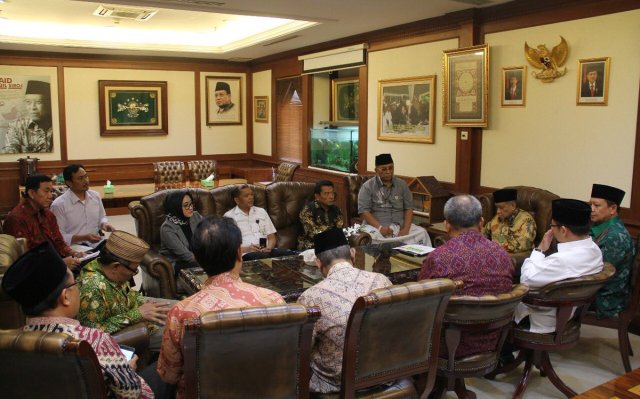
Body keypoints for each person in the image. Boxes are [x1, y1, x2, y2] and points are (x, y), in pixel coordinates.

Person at [1, 241, 154, 399]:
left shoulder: (9, 344)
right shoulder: (95, 341)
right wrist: (129, 371)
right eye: (75, 282)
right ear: (65, 297)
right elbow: (133, 394)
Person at [157, 216, 285, 399]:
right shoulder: (274, 300)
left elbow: (169, 375)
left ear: (198, 260)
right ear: (239, 254)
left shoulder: (182, 312)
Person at [297, 228, 391, 394]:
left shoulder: (311, 297)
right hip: (385, 372)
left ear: (318, 262)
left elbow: (300, 350)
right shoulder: (382, 281)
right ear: (352, 254)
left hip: (336, 383)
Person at [419, 195, 513, 358]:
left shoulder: (439, 257)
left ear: (447, 225)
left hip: (448, 345)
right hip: (494, 341)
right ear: (481, 222)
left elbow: (420, 298)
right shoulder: (502, 254)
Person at [515, 199, 603, 333]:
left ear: (563, 230)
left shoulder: (562, 260)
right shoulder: (595, 251)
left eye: (552, 226)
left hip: (540, 319)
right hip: (568, 316)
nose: (551, 230)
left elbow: (526, 280)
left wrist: (540, 250)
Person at [78, 230, 172, 351]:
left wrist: (145, 305)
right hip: (124, 333)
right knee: (180, 331)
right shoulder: (93, 287)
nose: (134, 273)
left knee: (180, 308)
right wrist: (137, 314)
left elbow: (128, 294)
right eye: (134, 270)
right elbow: (93, 334)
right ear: (115, 266)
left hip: (132, 309)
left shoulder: (108, 269)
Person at [4, 174, 83, 269]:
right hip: (34, 272)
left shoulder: (48, 214)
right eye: (46, 191)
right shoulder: (16, 218)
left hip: (55, 263)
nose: (50, 196)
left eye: (51, 191)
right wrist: (60, 263)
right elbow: (25, 260)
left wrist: (74, 253)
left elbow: (59, 242)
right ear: (31, 193)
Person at [358, 153, 431, 246]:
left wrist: (406, 229)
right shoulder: (367, 187)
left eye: (391, 168)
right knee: (371, 237)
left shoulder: (402, 185)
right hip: (376, 227)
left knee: (422, 233)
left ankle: (418, 260)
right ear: (376, 170)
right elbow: (364, 212)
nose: (388, 171)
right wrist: (380, 228)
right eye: (384, 169)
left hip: (399, 227)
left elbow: (409, 208)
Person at [589, 184, 635, 319]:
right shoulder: (599, 227)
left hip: (606, 298)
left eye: (596, 206)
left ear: (613, 209)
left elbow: (598, 273)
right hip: (595, 290)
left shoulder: (615, 236)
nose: (591, 209)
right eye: (590, 204)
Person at [51, 164, 115, 246]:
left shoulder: (95, 196)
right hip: (73, 248)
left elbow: (102, 217)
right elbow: (59, 237)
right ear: (69, 183)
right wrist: (84, 238)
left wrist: (104, 224)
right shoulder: (58, 205)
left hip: (96, 244)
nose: (86, 181)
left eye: (86, 176)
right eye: (80, 178)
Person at [224, 184, 291, 260]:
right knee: (263, 258)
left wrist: (269, 248)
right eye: (246, 196)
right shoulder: (229, 217)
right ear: (237, 200)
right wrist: (247, 249)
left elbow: (271, 237)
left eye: (252, 194)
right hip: (246, 253)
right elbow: (229, 246)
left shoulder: (261, 211)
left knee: (288, 253)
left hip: (266, 251)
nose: (251, 197)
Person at [159, 190, 203, 276]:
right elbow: (186, 256)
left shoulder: (196, 216)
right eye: (186, 205)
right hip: (179, 262)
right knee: (209, 265)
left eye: (191, 204)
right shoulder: (167, 228)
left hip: (198, 257)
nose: (190, 208)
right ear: (176, 207)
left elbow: (210, 234)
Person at [4, 80, 53, 154]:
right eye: (28, 102)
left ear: (48, 103)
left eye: (39, 102)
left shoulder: (58, 125)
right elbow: (10, 151)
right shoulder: (16, 126)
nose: (33, 107)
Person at [483, 188, 537, 253]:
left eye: (501, 207)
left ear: (513, 205)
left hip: (513, 257)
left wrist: (492, 247)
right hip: (493, 254)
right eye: (497, 207)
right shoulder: (497, 218)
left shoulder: (526, 220)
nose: (498, 211)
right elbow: (483, 233)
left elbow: (521, 246)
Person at [298, 180, 344, 250]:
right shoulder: (308, 210)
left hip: (332, 245)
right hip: (310, 246)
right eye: (326, 194)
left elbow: (339, 229)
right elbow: (313, 234)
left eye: (332, 193)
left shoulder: (336, 210)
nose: (331, 197)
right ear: (317, 196)